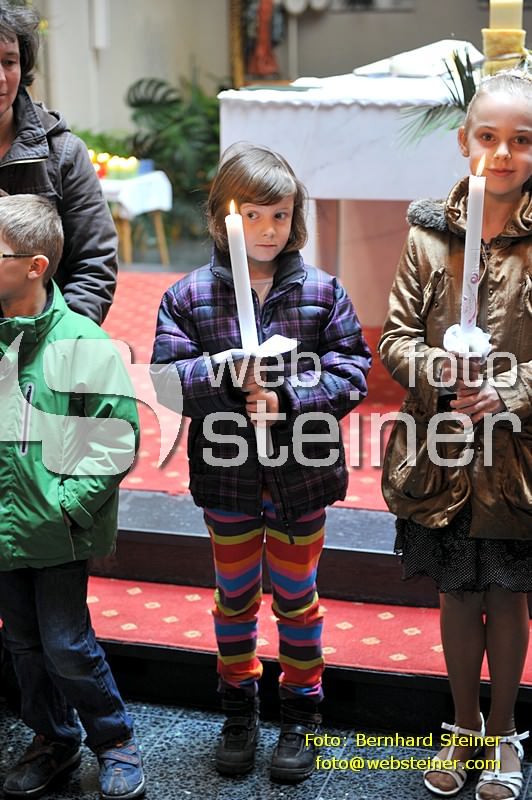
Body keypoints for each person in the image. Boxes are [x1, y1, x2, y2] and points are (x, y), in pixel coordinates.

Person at [151, 143, 371, 783]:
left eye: (280, 215)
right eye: (253, 215)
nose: (268, 230)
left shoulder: (322, 292)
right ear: (222, 217)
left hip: (302, 477)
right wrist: (225, 376)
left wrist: (290, 397)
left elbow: (353, 371)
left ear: (295, 217)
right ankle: (238, 710)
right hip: (229, 480)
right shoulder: (189, 296)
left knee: (298, 601)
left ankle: (301, 713)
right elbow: (167, 382)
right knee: (235, 598)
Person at [379, 70, 532, 800]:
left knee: (507, 596)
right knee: (457, 594)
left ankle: (504, 731)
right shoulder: (427, 235)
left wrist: (509, 390)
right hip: (439, 450)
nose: (503, 153)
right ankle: (464, 723)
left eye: (522, 140)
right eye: (488, 137)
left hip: (517, 456)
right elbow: (395, 337)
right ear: (464, 141)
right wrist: (438, 367)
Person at [0, 194, 145, 800]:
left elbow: (115, 437)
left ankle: (114, 739)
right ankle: (53, 739)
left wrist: (67, 507)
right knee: (22, 643)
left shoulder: (82, 342)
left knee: (66, 644)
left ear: (35, 266)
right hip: (4, 527)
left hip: (56, 529)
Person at [0, 2, 117, 324]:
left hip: (45, 335)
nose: (1, 77)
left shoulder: (62, 152)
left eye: (9, 62)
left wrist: (59, 339)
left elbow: (94, 264)